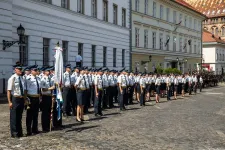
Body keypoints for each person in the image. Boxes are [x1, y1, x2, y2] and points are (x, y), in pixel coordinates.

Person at [7, 64, 25, 138]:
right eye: (19, 69)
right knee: (14, 117)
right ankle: (14, 133)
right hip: (15, 98)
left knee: (19, 116)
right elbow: (9, 91)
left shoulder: (21, 78)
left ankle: (19, 132)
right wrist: (9, 102)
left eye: (21, 69)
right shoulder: (12, 78)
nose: (20, 71)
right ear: (15, 70)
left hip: (21, 98)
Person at [25, 65, 41, 136]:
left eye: (37, 70)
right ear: (31, 71)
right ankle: (29, 130)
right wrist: (26, 99)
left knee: (36, 114)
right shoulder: (28, 78)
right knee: (29, 115)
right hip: (31, 98)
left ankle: (35, 129)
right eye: (35, 70)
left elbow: (39, 88)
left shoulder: (38, 78)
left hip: (37, 98)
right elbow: (26, 89)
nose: (36, 71)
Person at [40, 67, 55, 132]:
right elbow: (42, 89)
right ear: (44, 72)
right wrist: (50, 88)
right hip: (45, 96)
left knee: (49, 111)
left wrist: (52, 95)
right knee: (45, 113)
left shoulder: (50, 78)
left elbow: (53, 87)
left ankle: (49, 125)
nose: (48, 72)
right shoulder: (43, 79)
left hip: (49, 96)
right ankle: (44, 127)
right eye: (47, 71)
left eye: (49, 71)